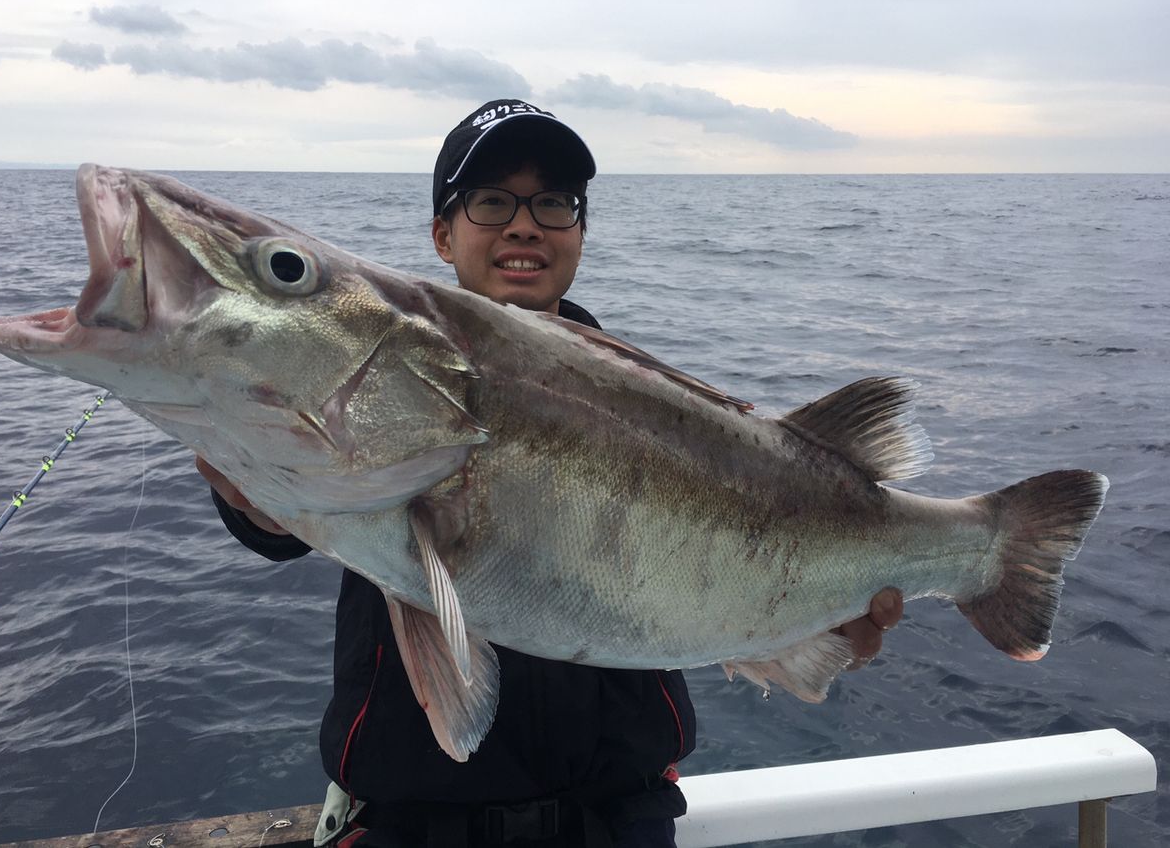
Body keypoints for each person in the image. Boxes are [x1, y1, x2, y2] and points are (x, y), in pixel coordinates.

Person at [197, 99, 903, 847]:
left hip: (620, 818)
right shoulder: (375, 362)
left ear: (580, 234)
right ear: (443, 234)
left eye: (555, 203)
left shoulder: (667, 411)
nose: (525, 224)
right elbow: (278, 521)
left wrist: (805, 622)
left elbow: (757, 547)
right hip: (409, 824)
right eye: (492, 201)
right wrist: (260, 498)